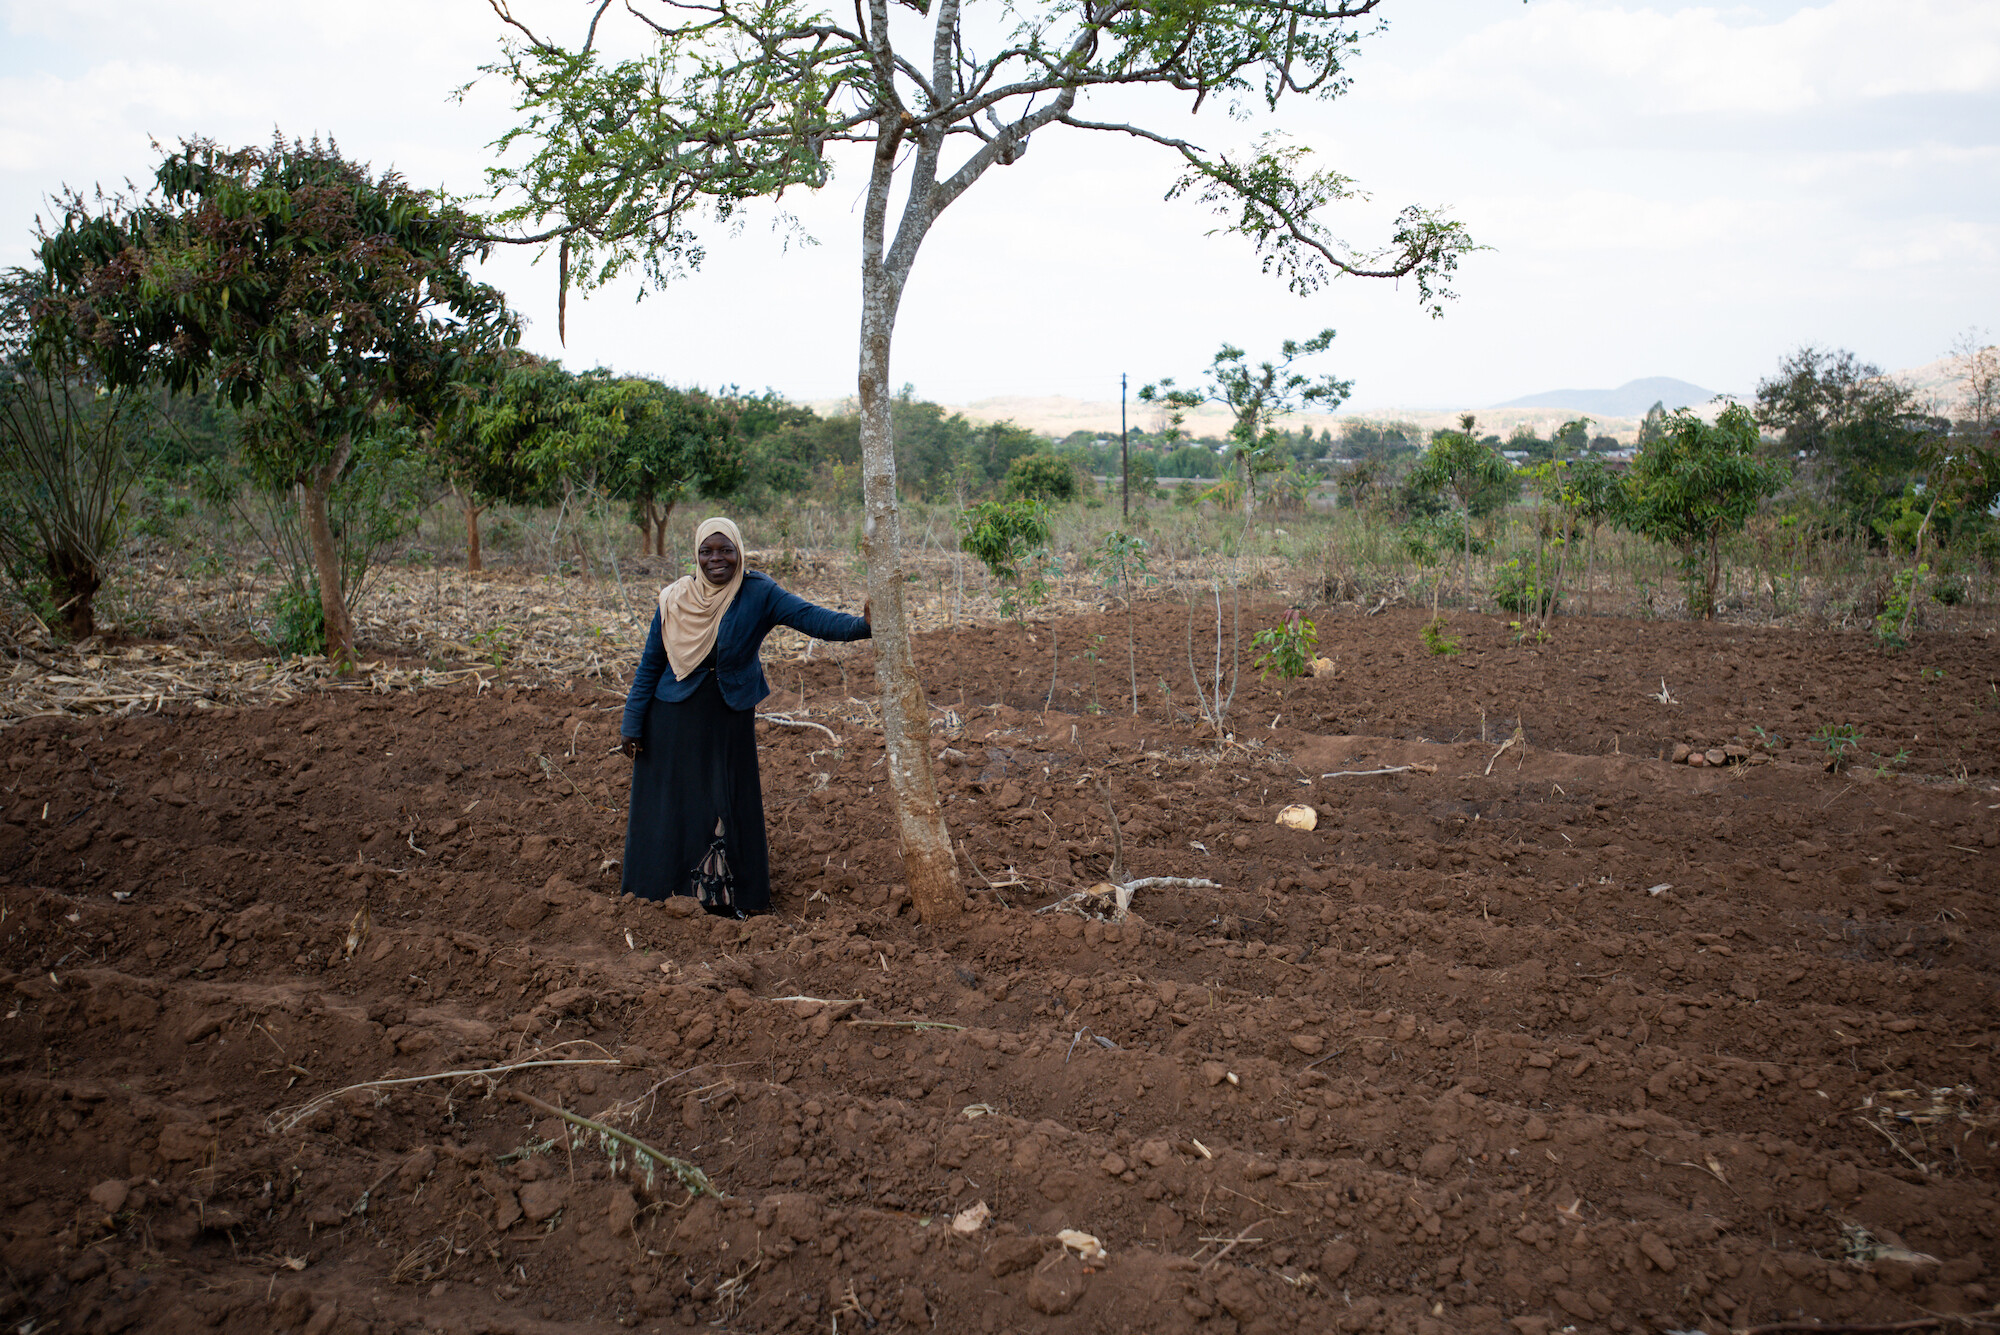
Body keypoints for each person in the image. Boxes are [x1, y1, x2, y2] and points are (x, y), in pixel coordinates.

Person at [619, 517, 871, 915]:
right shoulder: (675, 597)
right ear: (696, 555)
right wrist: (632, 723)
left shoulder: (758, 593)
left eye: (725, 550)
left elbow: (812, 618)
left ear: (740, 553)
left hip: (726, 718)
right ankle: (661, 894)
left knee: (725, 801)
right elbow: (651, 664)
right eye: (707, 551)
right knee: (673, 805)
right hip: (671, 718)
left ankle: (726, 898)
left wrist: (863, 626)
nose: (715, 559)